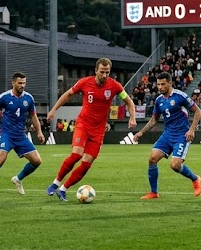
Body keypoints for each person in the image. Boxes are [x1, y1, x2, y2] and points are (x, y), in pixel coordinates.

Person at [45, 58, 136, 201]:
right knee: (76, 155)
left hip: (99, 130)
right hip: (83, 125)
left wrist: (132, 117)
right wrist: (54, 110)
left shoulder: (115, 86)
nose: (105, 75)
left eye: (107, 72)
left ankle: (63, 189)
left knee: (86, 164)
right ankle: (55, 183)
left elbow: (129, 101)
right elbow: (68, 94)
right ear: (96, 71)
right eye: (102, 72)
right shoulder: (84, 82)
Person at [132, 72, 201, 199]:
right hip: (167, 135)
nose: (160, 87)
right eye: (158, 84)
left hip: (182, 135)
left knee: (175, 165)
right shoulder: (159, 100)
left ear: (170, 83)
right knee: (152, 158)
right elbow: (154, 119)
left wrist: (192, 130)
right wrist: (141, 132)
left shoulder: (180, 96)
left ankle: (195, 178)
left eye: (163, 84)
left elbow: (197, 111)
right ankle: (154, 192)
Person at [0, 72, 45, 198]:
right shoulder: (4, 97)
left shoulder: (29, 98)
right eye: (19, 83)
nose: (22, 85)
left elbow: (33, 116)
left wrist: (39, 131)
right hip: (6, 134)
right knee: (1, 158)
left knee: (37, 161)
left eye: (24, 83)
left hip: (20, 136)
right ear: (13, 83)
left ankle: (18, 179)